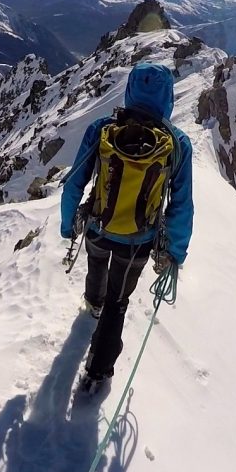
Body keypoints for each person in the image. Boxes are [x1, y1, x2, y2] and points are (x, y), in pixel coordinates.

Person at [60, 62, 194, 392]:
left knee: (96, 267)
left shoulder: (102, 129)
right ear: (168, 98)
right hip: (138, 240)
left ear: (131, 89)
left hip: (97, 227)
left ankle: (92, 302)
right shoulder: (177, 145)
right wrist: (175, 252)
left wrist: (68, 225)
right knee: (118, 302)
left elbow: (74, 182)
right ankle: (97, 371)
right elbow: (181, 205)